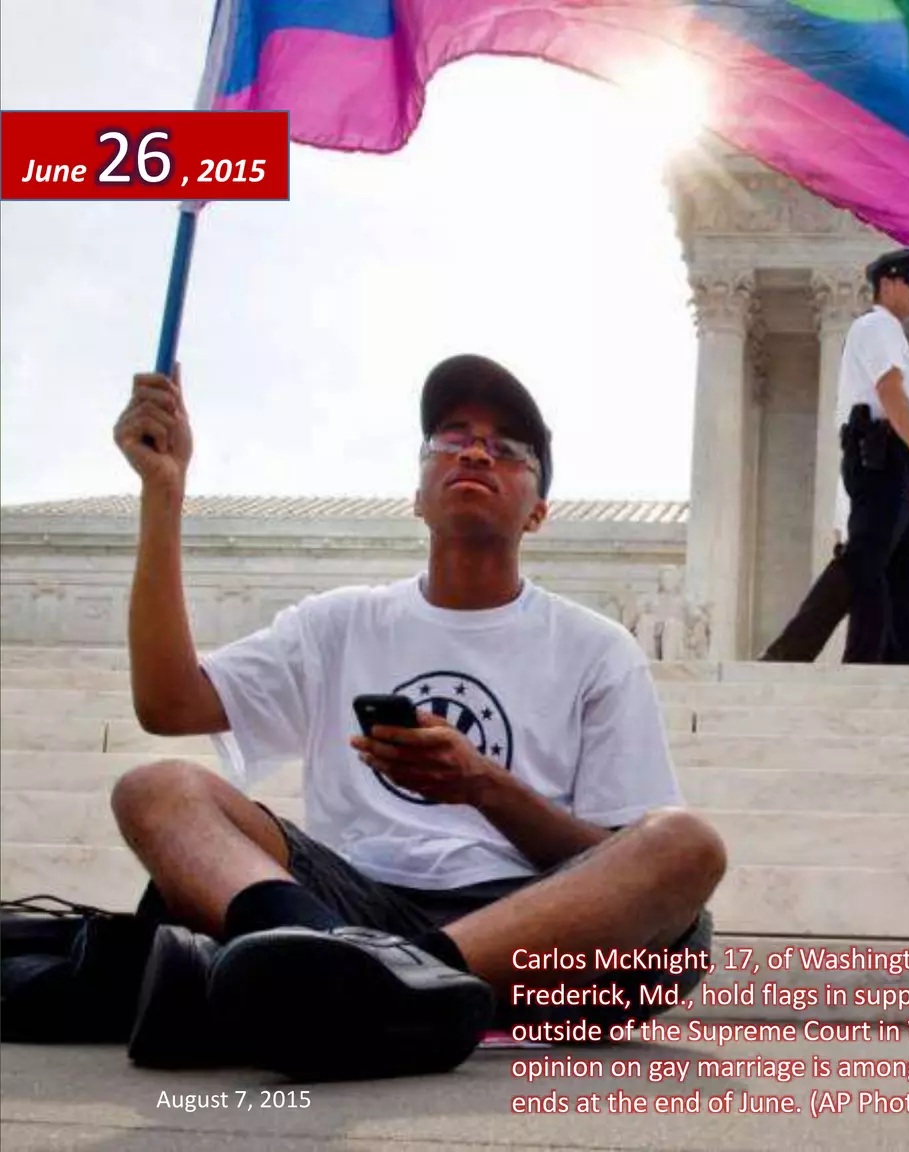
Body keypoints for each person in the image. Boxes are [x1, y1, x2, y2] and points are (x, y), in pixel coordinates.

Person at [108, 355, 727, 1081]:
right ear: (417, 494)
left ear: (537, 511)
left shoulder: (597, 648)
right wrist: (163, 493)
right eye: (451, 437)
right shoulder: (339, 623)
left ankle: (376, 983)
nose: (473, 451)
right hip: (342, 907)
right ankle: (358, 979)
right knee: (156, 789)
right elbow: (168, 703)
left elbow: (608, 859)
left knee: (686, 846)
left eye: (507, 449)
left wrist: (483, 786)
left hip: (526, 918)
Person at [838, 247, 909, 664]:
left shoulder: (892, 332)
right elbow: (890, 391)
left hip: (896, 460)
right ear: (887, 283)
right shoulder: (877, 325)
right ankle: (802, 650)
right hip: (884, 453)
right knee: (868, 567)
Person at [759, 478, 909, 664]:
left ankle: (784, 655)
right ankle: (783, 654)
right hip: (870, 554)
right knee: (871, 638)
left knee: (873, 641)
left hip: (875, 554)